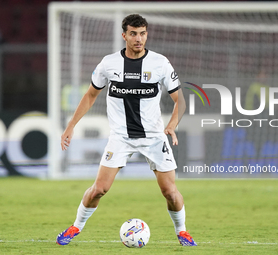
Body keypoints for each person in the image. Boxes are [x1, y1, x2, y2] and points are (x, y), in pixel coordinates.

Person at [56, 14, 197, 247]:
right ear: (124, 35)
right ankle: (76, 227)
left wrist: (171, 125)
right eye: (133, 33)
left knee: (170, 193)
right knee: (99, 189)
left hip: (153, 137)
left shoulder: (160, 63)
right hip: (121, 137)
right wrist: (71, 126)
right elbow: (91, 95)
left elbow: (180, 101)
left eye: (142, 33)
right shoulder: (109, 64)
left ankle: (182, 232)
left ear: (147, 34)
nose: (138, 38)